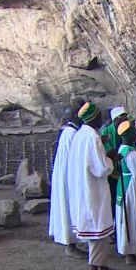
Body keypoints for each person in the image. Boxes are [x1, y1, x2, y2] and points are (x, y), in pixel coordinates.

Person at [67, 102, 119, 270]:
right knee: (97, 231)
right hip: (93, 191)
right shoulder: (92, 137)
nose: (102, 120)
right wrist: (111, 158)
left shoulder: (81, 135)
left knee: (98, 231)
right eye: (99, 117)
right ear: (94, 118)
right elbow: (101, 168)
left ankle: (102, 266)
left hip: (84, 190)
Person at [48, 100, 87, 259]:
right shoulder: (71, 134)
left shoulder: (68, 132)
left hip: (65, 175)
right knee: (68, 209)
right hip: (68, 178)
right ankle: (70, 245)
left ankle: (73, 241)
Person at [115, 120, 136, 265]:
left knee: (125, 217)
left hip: (124, 185)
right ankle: (130, 252)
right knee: (132, 218)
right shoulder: (130, 152)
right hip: (131, 188)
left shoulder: (121, 148)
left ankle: (128, 250)